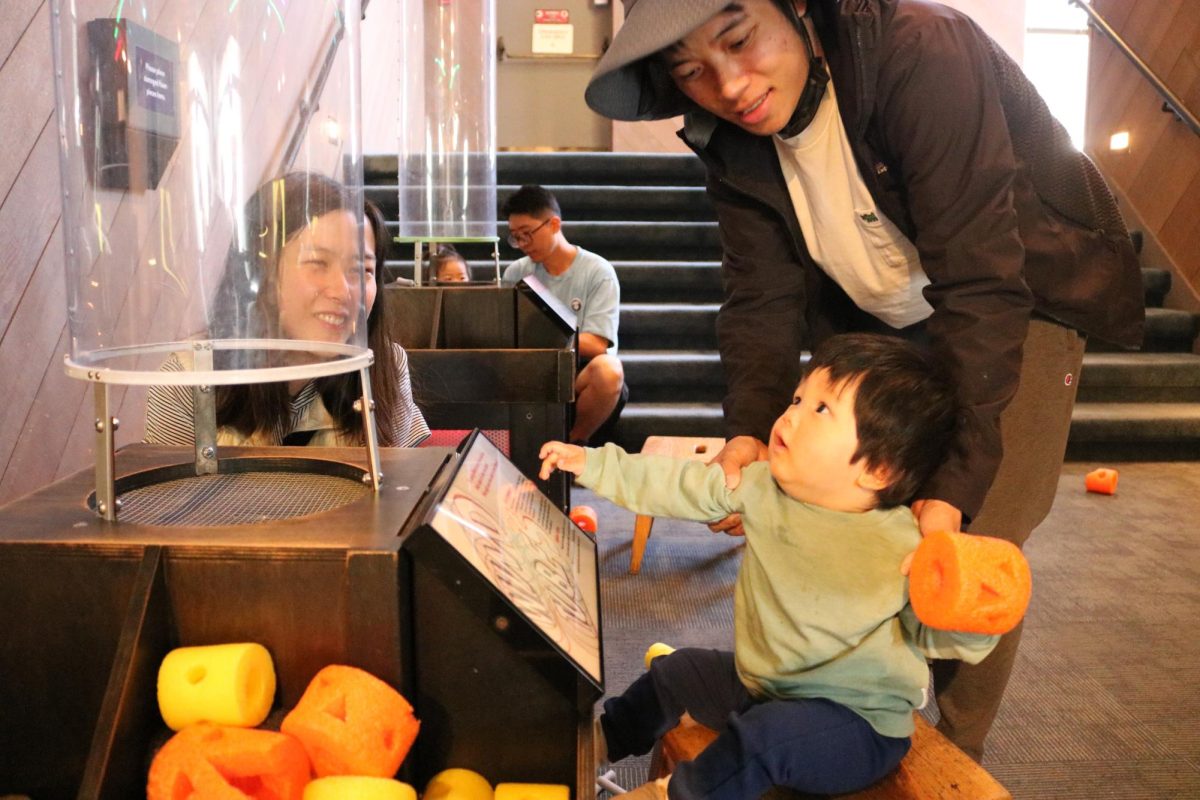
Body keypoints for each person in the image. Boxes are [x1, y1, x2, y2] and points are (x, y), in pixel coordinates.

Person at [583, 0, 1144, 760]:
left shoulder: (921, 53)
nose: (731, 85)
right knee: (841, 511)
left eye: (740, 39)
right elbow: (759, 293)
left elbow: (981, 284)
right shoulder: (732, 140)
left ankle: (955, 753)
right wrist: (747, 431)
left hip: (1016, 300)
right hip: (876, 313)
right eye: (692, 73)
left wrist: (950, 494)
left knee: (968, 537)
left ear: (799, 9)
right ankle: (839, 710)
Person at [540, 334, 998, 799]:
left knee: (763, 740)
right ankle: (592, 749)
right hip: (768, 686)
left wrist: (970, 614)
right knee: (673, 673)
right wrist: (591, 463)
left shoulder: (907, 547)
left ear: (877, 469)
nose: (792, 413)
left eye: (821, 410)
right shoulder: (762, 487)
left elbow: (936, 637)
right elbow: (676, 484)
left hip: (856, 723)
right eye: (799, 397)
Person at [145, 173, 429, 448]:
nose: (343, 291)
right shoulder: (189, 379)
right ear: (258, 273)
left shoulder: (385, 365)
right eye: (318, 263)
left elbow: (399, 485)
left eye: (361, 269)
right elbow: (168, 496)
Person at [501, 184, 627, 445]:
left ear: (554, 224)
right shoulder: (516, 272)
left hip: (578, 370)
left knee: (609, 371)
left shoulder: (597, 272)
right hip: (532, 368)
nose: (522, 244)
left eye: (527, 234)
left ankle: (574, 442)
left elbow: (597, 345)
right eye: (515, 237)